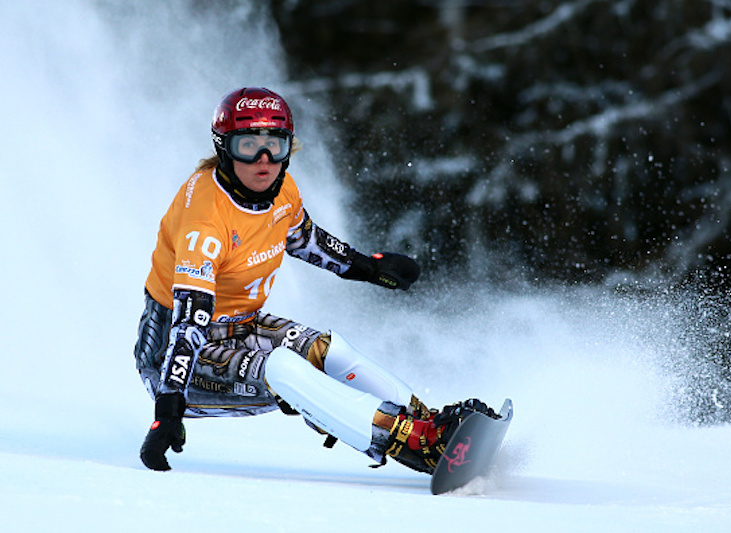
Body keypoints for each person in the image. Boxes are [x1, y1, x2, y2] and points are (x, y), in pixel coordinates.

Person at [134, 87, 496, 474]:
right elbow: (189, 323)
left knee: (330, 352)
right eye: (248, 146)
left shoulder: (281, 190)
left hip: (241, 325)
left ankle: (432, 429)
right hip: (177, 359)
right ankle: (410, 440)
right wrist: (168, 409)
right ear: (224, 148)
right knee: (285, 369)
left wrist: (369, 267)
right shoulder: (205, 222)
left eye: (275, 144)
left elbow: (304, 238)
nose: (264, 159)